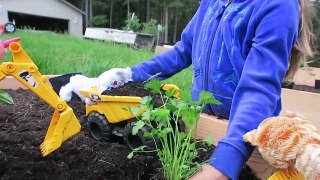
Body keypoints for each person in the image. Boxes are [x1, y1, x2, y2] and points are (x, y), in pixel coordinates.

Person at [60, 0, 315, 179]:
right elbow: (183, 52)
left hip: (249, 135)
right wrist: (130, 74)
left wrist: (225, 163)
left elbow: (257, 87)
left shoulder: (277, 5)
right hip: (201, 124)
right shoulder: (212, 2)